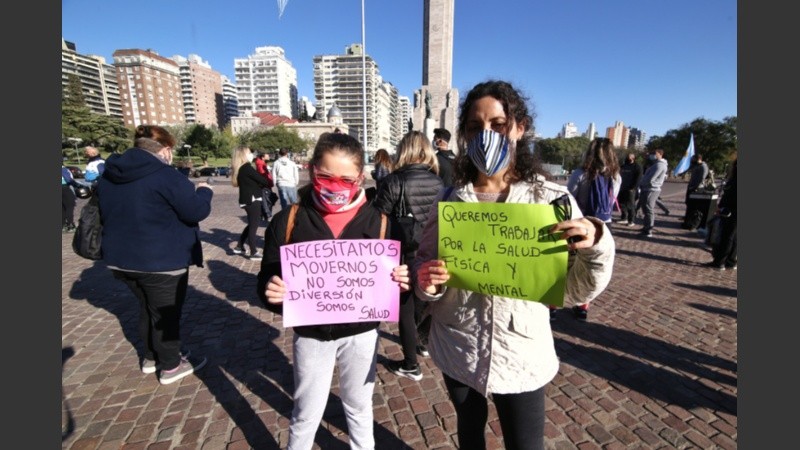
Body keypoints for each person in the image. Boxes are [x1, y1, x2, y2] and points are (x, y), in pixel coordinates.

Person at [413, 80, 615, 450]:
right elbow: (424, 270)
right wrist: (428, 282)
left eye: (498, 124)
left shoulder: (551, 201)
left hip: (521, 352)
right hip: (458, 344)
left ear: (520, 129)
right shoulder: (449, 199)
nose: (486, 134)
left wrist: (595, 243)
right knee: (469, 434)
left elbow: (575, 290)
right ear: (464, 134)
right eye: (476, 127)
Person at [257, 132, 410, 450]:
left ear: (361, 177)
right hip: (312, 335)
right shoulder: (288, 220)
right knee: (306, 411)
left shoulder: (383, 223)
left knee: (359, 408)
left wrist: (404, 283)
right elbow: (268, 277)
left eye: (346, 179)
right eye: (326, 176)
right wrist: (272, 293)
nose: (335, 186)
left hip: (363, 333)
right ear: (312, 170)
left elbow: (398, 290)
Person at [97, 125, 212, 385]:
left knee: (147, 309)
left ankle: (151, 356)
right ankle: (170, 365)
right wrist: (205, 191)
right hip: (161, 259)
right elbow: (195, 211)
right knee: (165, 315)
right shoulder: (165, 175)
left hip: (120, 259)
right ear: (166, 150)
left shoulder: (110, 173)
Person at [373, 131, 443, 381]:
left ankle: (411, 363)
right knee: (427, 301)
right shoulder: (440, 183)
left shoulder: (394, 180)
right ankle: (422, 343)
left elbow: (377, 218)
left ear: (403, 151)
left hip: (402, 251)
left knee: (405, 307)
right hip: (431, 250)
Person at [566, 138, 622, 224]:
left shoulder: (580, 173)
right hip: (605, 222)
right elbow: (611, 201)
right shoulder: (616, 176)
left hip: (582, 221)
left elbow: (569, 200)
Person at [231, 147, 272, 260]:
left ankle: (239, 246)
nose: (251, 154)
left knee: (251, 224)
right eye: (249, 153)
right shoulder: (247, 167)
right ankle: (253, 252)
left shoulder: (242, 168)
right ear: (244, 155)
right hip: (252, 199)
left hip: (248, 199)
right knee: (254, 225)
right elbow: (263, 181)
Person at [706, 158, 737, 270]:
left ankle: (720, 261)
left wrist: (722, 207)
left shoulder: (735, 179)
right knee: (734, 237)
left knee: (727, 236)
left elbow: (730, 195)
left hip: (732, 210)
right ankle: (731, 261)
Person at [638, 148, 669, 237]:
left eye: (654, 153)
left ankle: (648, 230)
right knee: (645, 208)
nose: (652, 155)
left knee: (648, 208)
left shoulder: (660, 165)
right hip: (647, 188)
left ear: (660, 154)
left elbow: (651, 178)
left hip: (652, 189)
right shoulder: (655, 164)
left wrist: (642, 183)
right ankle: (646, 226)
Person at [680, 154, 710, 230]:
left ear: (698, 159)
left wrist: (694, 187)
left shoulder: (703, 166)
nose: (692, 161)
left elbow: (701, 179)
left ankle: (690, 223)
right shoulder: (696, 166)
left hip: (697, 189)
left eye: (693, 159)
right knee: (688, 204)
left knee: (692, 206)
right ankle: (687, 221)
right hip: (691, 187)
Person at [616, 152, 642, 226]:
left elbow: (638, 178)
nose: (629, 158)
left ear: (634, 158)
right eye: (628, 156)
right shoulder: (623, 166)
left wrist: (633, 187)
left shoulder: (637, 166)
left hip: (631, 189)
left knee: (631, 205)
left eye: (631, 156)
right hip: (622, 188)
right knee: (622, 203)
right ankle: (624, 218)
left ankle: (631, 220)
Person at [255, 152, 277, 221]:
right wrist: (268, 182)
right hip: (265, 185)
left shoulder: (262, 163)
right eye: (267, 156)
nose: (269, 157)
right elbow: (263, 175)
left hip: (266, 185)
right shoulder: (261, 164)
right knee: (267, 200)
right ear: (263, 157)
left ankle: (264, 215)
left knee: (266, 200)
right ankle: (265, 215)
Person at [61, 160, 82, 232]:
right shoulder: (63, 169)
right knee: (69, 206)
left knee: (62, 208)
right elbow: (69, 180)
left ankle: (63, 225)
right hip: (64, 188)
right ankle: (70, 225)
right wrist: (77, 185)